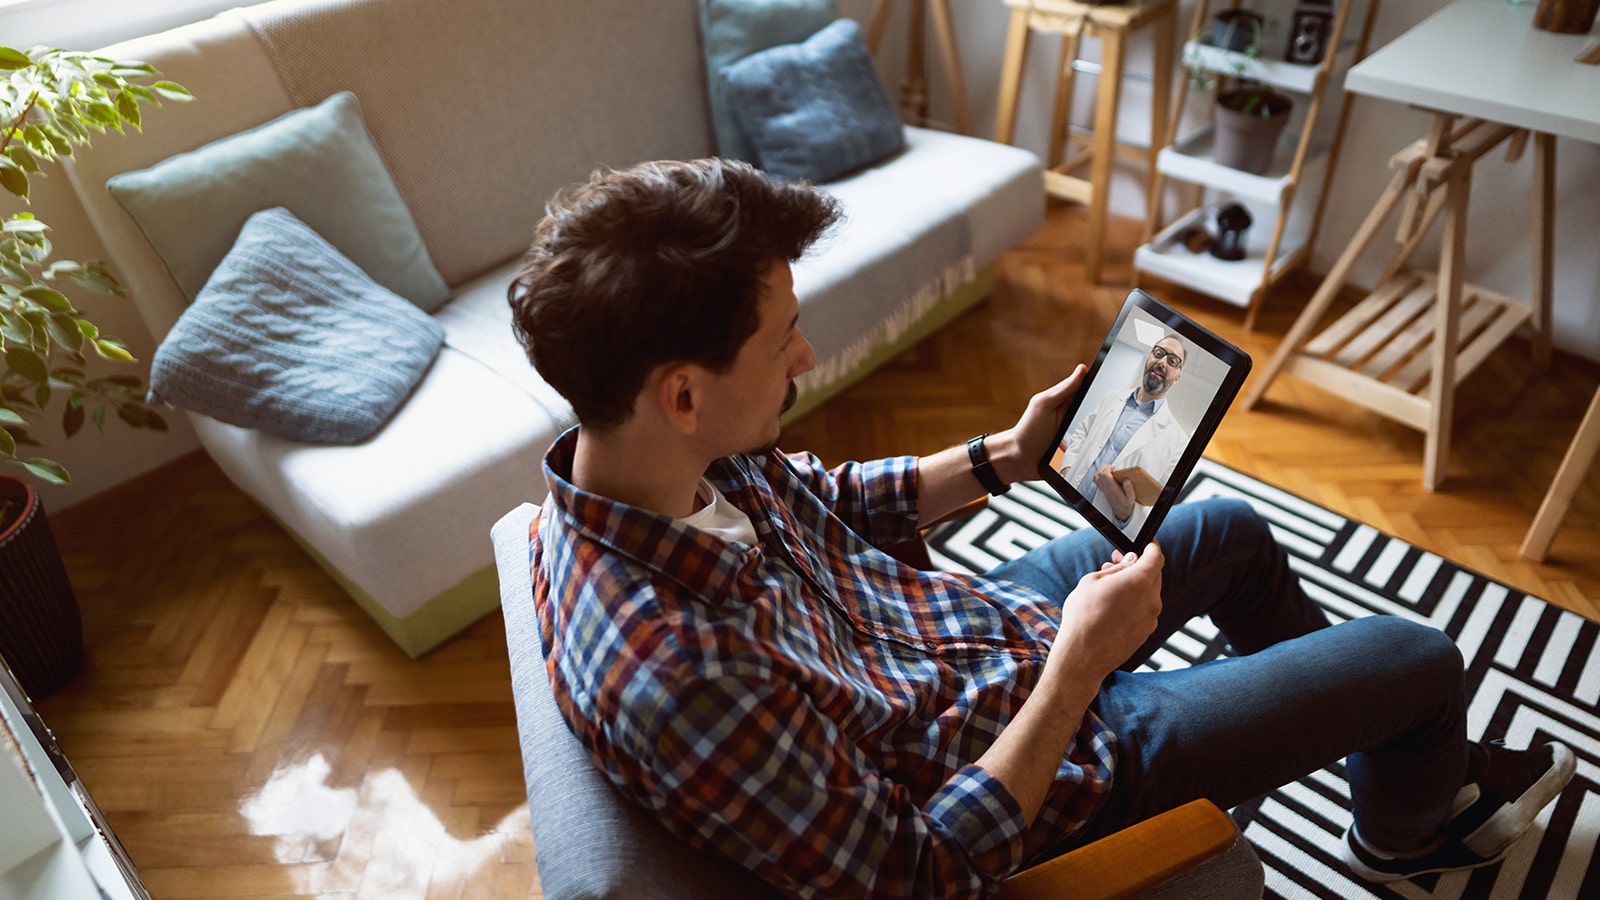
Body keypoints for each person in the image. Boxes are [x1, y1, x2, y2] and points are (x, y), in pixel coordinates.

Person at [507, 158, 1575, 899]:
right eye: (784, 338)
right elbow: (914, 876)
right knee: (1420, 657)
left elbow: (821, 501)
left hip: (951, 642)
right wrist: (1079, 667)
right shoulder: (675, 675)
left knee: (1230, 531)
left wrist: (1004, 458)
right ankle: (1404, 829)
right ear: (683, 393)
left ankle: (1380, 754)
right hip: (1046, 769)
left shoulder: (645, 466)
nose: (806, 357)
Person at [1057, 336, 1190, 532]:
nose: (1162, 362)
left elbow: (1159, 503)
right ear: (1149, 357)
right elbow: (1083, 431)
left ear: (1177, 377)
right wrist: (1067, 469)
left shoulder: (1178, 441)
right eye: (1159, 353)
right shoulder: (1113, 397)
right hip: (1063, 498)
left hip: (1101, 528)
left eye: (1172, 361)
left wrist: (1126, 513)